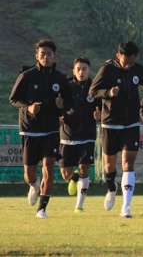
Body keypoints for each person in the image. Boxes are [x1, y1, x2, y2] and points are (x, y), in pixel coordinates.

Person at [89, 41, 143, 218]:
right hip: (110, 123)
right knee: (109, 167)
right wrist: (108, 93)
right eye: (126, 62)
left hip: (131, 123)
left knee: (128, 163)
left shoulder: (138, 69)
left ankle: (126, 207)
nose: (128, 66)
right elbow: (93, 92)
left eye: (131, 62)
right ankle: (111, 188)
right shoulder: (107, 70)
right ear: (118, 56)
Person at [10, 40, 73, 218]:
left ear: (54, 56)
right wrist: (28, 108)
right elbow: (14, 99)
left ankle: (42, 208)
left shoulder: (60, 78)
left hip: (52, 129)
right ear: (37, 56)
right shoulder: (27, 76)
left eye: (49, 54)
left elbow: (69, 103)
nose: (46, 57)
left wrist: (62, 105)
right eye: (42, 54)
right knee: (29, 175)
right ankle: (34, 184)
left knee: (48, 168)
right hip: (30, 129)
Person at [59, 56, 101, 213]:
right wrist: (60, 115)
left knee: (84, 170)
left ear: (89, 71)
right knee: (65, 174)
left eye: (84, 69)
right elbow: (59, 107)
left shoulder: (94, 88)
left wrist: (100, 116)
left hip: (87, 136)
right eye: (78, 69)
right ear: (73, 71)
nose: (81, 72)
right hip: (68, 136)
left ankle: (79, 206)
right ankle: (73, 178)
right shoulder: (67, 87)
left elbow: (103, 109)